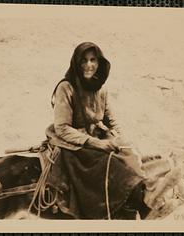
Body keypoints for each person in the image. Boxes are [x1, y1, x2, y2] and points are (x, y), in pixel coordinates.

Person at [45, 42, 150, 219]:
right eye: (83, 61)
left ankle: (134, 207)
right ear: (76, 63)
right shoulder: (66, 87)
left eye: (93, 60)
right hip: (74, 143)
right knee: (114, 169)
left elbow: (111, 119)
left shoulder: (100, 87)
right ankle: (99, 212)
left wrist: (122, 140)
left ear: (99, 62)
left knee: (131, 158)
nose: (89, 65)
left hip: (97, 136)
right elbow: (62, 128)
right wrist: (96, 143)